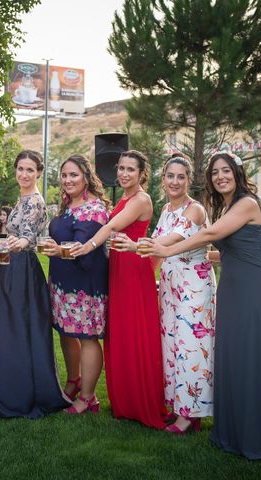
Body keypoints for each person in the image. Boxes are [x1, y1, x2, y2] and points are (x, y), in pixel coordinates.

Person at [144, 152, 261, 459]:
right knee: (232, 358)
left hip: (252, 290)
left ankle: (255, 436)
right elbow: (221, 252)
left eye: (226, 171)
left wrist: (165, 248)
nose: (220, 176)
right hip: (230, 287)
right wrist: (196, 257)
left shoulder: (247, 203)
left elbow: (209, 234)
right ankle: (232, 431)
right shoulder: (226, 206)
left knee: (249, 359)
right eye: (215, 172)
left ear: (238, 173)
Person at [115, 153, 216, 433]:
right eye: (170, 176)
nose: (174, 181)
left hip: (193, 288)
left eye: (180, 177)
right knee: (171, 347)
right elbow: (156, 257)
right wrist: (145, 281)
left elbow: (168, 242)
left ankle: (190, 415)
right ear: (162, 180)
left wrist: (135, 246)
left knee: (190, 346)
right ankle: (179, 407)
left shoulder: (194, 210)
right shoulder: (166, 211)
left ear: (188, 181)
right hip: (169, 287)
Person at [70, 150, 167, 429]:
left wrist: (87, 247)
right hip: (118, 269)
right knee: (121, 334)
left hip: (135, 271)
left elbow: (112, 226)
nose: (124, 173)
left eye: (130, 169)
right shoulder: (124, 197)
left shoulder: (141, 200)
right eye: (121, 168)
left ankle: (141, 403)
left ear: (141, 174)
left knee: (135, 333)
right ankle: (124, 403)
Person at [0, 149, 69, 418]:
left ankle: (23, 394)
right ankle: (14, 386)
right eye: (20, 169)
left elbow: (26, 237)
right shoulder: (21, 199)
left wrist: (19, 242)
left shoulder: (35, 201)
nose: (24, 174)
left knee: (20, 328)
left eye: (30, 170)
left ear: (38, 173)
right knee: (14, 327)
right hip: (12, 266)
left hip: (23, 268)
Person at [41, 155, 111, 414]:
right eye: (64, 175)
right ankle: (73, 381)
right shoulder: (68, 204)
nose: (68, 180)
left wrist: (59, 251)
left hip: (85, 284)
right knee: (66, 333)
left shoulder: (94, 209)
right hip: (61, 282)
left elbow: (81, 246)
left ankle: (88, 397)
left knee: (88, 337)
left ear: (86, 177)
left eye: (73, 175)